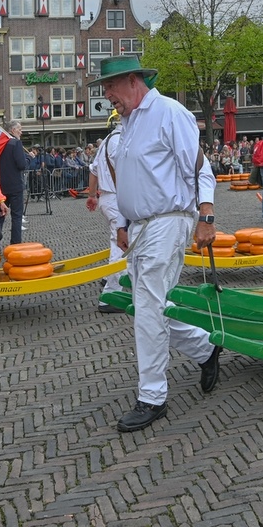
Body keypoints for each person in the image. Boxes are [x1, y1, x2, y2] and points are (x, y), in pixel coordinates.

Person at [96, 55, 221, 432]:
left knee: (148, 307)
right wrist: (122, 222)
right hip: (139, 228)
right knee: (146, 306)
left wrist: (207, 216)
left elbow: (199, 167)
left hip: (169, 220)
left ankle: (153, 397)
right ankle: (205, 347)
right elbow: (130, 179)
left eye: (110, 87)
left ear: (133, 81)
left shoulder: (170, 112)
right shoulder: (128, 122)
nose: (107, 96)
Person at [86, 110, 127, 314]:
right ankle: (111, 294)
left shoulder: (108, 140)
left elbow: (93, 170)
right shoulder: (121, 140)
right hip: (117, 198)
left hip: (108, 198)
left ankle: (112, 279)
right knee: (122, 245)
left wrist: (93, 195)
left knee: (122, 243)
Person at [0, 119, 29, 244]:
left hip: (1, 187)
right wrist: (28, 160)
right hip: (15, 186)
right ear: (12, 130)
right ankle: (15, 244)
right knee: (16, 216)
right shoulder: (16, 143)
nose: (21, 132)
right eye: (19, 129)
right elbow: (21, 165)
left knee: (0, 216)